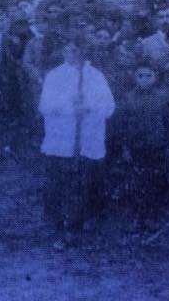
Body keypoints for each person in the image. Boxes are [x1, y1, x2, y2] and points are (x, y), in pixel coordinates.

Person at [38, 39, 115, 250]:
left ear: (83, 51)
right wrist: (70, 107)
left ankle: (77, 226)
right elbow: (45, 106)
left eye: (75, 50)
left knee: (81, 186)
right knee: (59, 186)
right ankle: (60, 227)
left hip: (87, 142)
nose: (70, 54)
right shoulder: (54, 76)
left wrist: (89, 107)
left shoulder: (96, 76)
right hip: (61, 142)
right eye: (67, 49)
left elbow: (109, 107)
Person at [114, 59, 169, 231]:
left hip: (157, 146)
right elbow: (122, 126)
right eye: (140, 75)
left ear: (156, 77)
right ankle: (136, 217)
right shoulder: (128, 98)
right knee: (135, 183)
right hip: (136, 148)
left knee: (155, 183)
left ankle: (151, 217)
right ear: (134, 77)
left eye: (149, 75)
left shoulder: (164, 97)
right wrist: (125, 147)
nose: (144, 79)